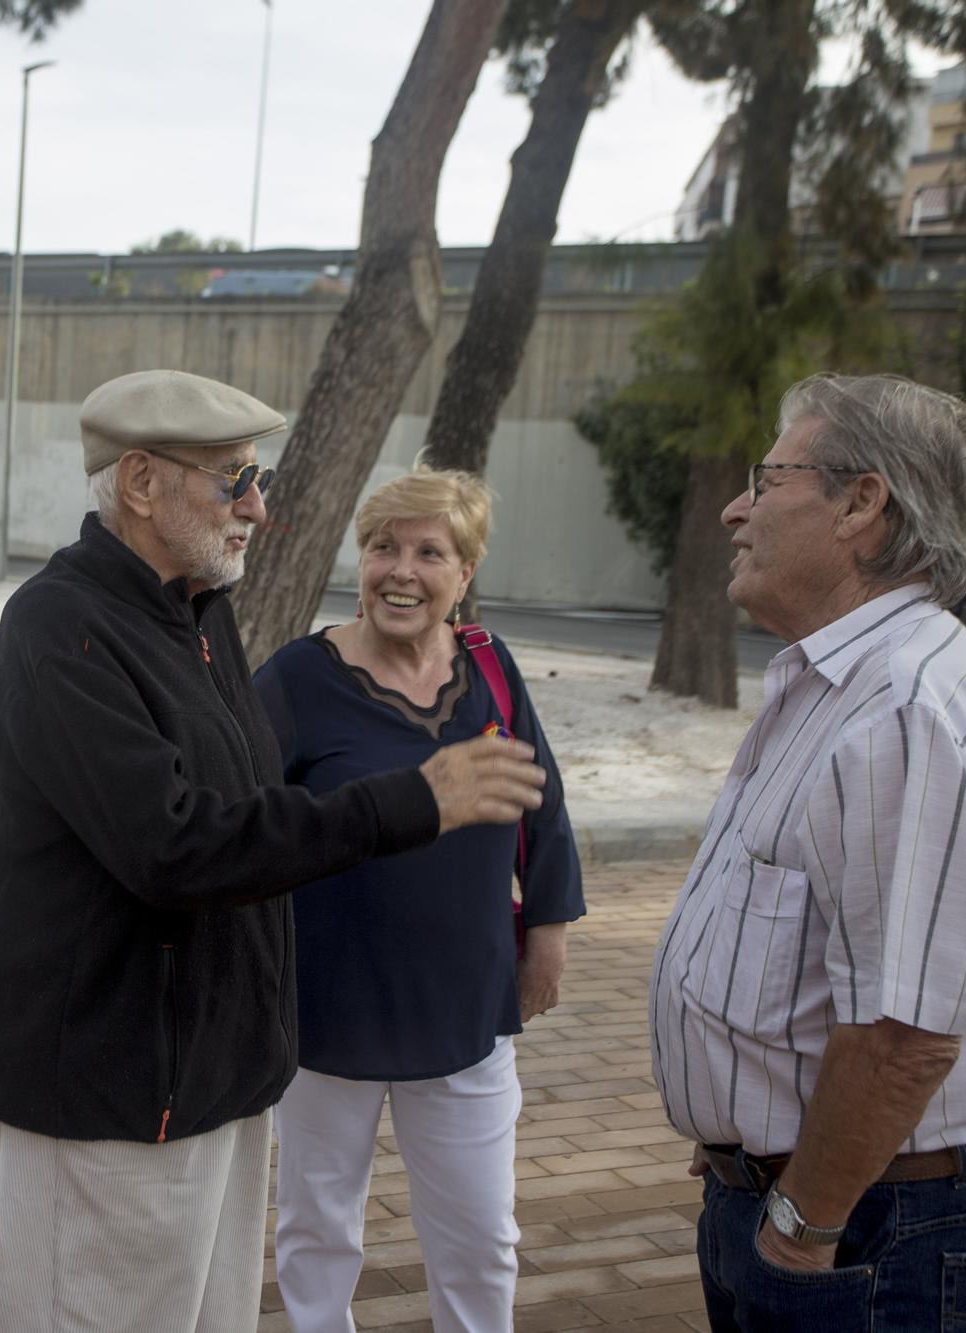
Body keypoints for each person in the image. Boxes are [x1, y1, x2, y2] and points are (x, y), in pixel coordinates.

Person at [0, 369, 549, 1332]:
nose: (259, 508)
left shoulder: (195, 611)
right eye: (236, 479)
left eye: (257, 478)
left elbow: (253, 810)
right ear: (142, 483)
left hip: (214, 1087)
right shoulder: (63, 625)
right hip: (114, 1097)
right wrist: (411, 800)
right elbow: (177, 846)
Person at [648, 373, 966, 1333]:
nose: (735, 505)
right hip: (822, 1202)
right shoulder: (847, 682)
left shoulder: (903, 711)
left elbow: (904, 1035)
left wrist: (796, 1227)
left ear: (862, 504)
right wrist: (736, 1128)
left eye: (769, 477)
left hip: (872, 1231)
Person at [254, 468, 584, 1333]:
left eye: (428, 552)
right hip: (330, 1007)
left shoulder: (489, 666)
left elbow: (541, 802)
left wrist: (547, 932)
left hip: (466, 1004)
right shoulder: (296, 677)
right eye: (382, 547)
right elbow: (245, 831)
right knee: (318, 1229)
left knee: (480, 1236)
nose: (400, 570)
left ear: (464, 573)